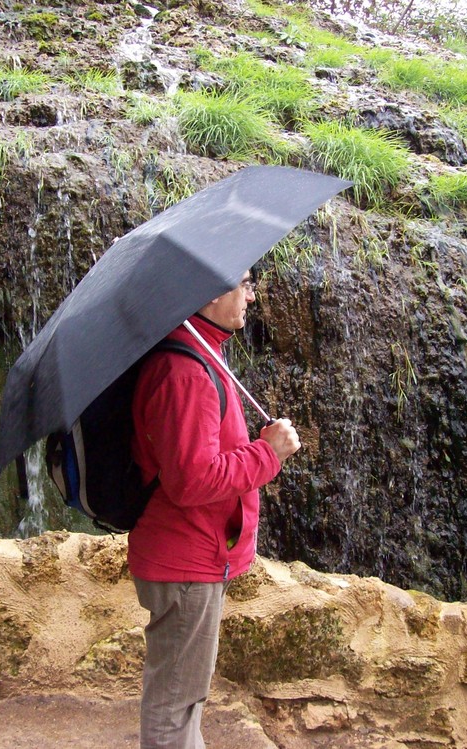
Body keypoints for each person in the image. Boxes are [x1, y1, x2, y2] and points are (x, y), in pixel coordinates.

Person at [128, 271, 301, 749]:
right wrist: (269, 454)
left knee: (183, 699)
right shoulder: (185, 372)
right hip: (186, 561)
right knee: (175, 705)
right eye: (243, 283)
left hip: (192, 555)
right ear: (206, 291)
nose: (251, 294)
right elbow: (192, 480)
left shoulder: (203, 353)